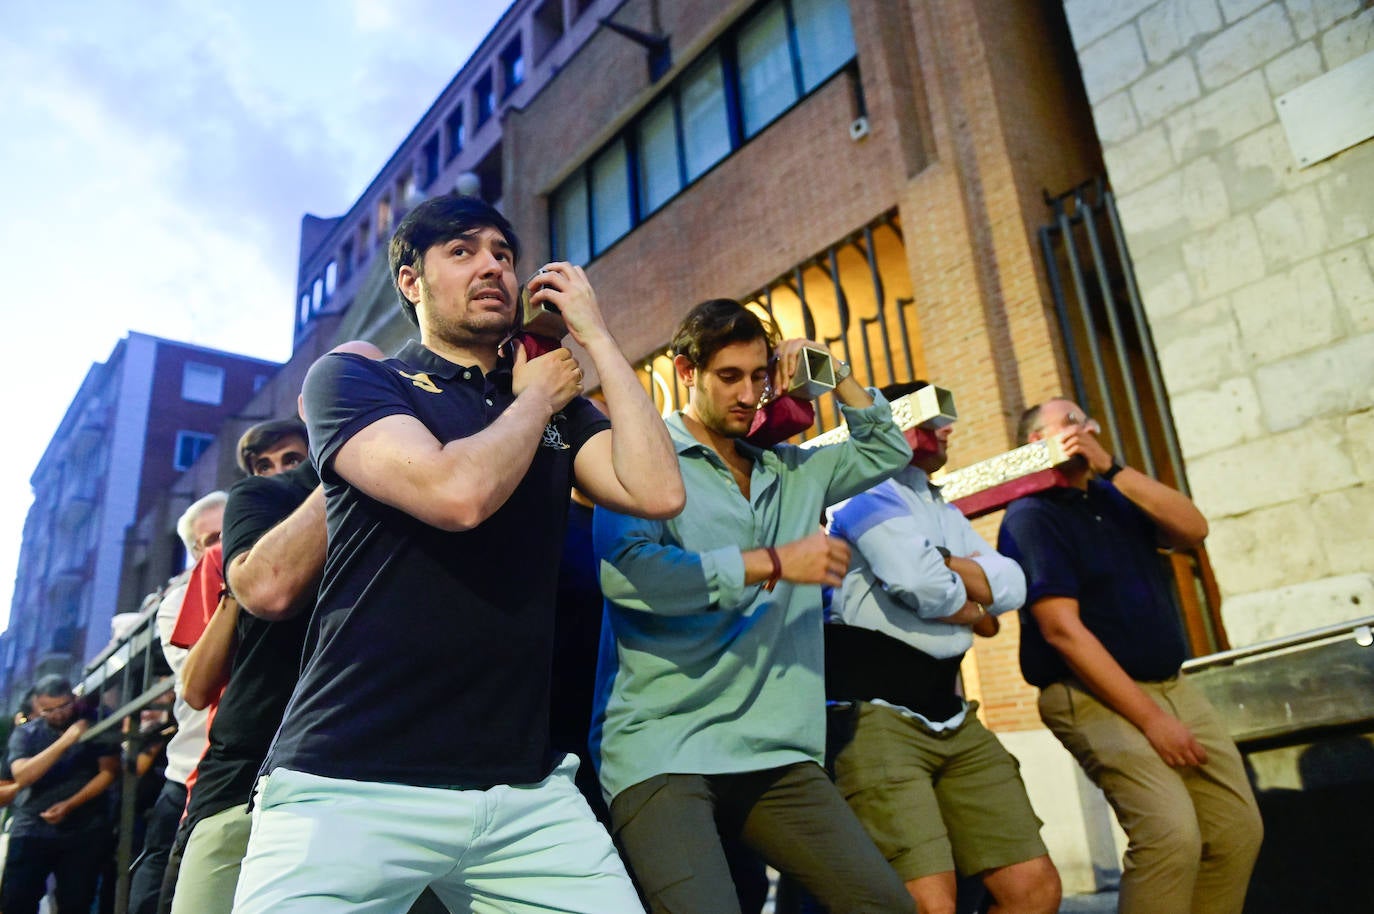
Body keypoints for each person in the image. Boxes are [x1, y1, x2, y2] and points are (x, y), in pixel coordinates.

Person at [232, 193, 683, 914]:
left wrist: (596, 338)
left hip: (522, 792)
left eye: (504, 254)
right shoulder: (359, 382)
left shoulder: (556, 402)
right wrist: (532, 404)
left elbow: (658, 491)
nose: (493, 268)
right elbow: (454, 496)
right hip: (352, 781)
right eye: (463, 251)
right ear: (411, 281)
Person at [592, 298, 914, 914]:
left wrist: (832, 367)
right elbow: (631, 577)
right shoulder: (643, 459)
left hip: (774, 749)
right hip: (663, 745)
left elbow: (887, 451)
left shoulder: (794, 472)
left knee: (886, 906)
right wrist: (769, 563)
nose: (749, 394)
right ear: (687, 373)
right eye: (730, 377)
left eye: (759, 376)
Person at [998, 398, 1262, 914]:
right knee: (1170, 834)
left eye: (1088, 420)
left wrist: (1114, 469)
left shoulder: (1113, 496)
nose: (1087, 427)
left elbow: (1193, 528)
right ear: (1038, 442)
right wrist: (1154, 722)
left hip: (1170, 684)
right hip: (1089, 694)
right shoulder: (1032, 515)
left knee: (1236, 829)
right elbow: (1061, 630)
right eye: (1071, 421)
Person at [825, 381, 1060, 914]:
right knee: (928, 905)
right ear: (898, 419)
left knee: (1034, 889)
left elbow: (1015, 584)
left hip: (952, 714)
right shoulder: (863, 488)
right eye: (932, 417)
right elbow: (917, 582)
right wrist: (974, 604)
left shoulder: (936, 503)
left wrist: (943, 563)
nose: (947, 428)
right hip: (875, 717)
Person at [165, 411, 331, 914]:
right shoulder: (222, 562)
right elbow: (193, 688)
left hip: (331, 759)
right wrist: (239, 583)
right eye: (264, 464)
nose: (278, 470)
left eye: (291, 458)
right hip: (232, 763)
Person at [126, 491, 227, 914]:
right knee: (159, 891)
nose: (224, 544)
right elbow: (199, 683)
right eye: (212, 539)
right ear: (196, 552)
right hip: (193, 769)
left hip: (252, 768)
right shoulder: (176, 604)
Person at [1, 675, 120, 914]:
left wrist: (70, 804)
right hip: (31, 827)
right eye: (48, 709)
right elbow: (22, 775)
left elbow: (109, 772)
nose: (58, 714)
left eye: (64, 706)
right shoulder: (27, 733)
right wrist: (66, 741)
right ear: (37, 707)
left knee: (76, 902)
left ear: (73, 699)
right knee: (15, 900)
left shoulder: (96, 722)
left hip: (84, 827)